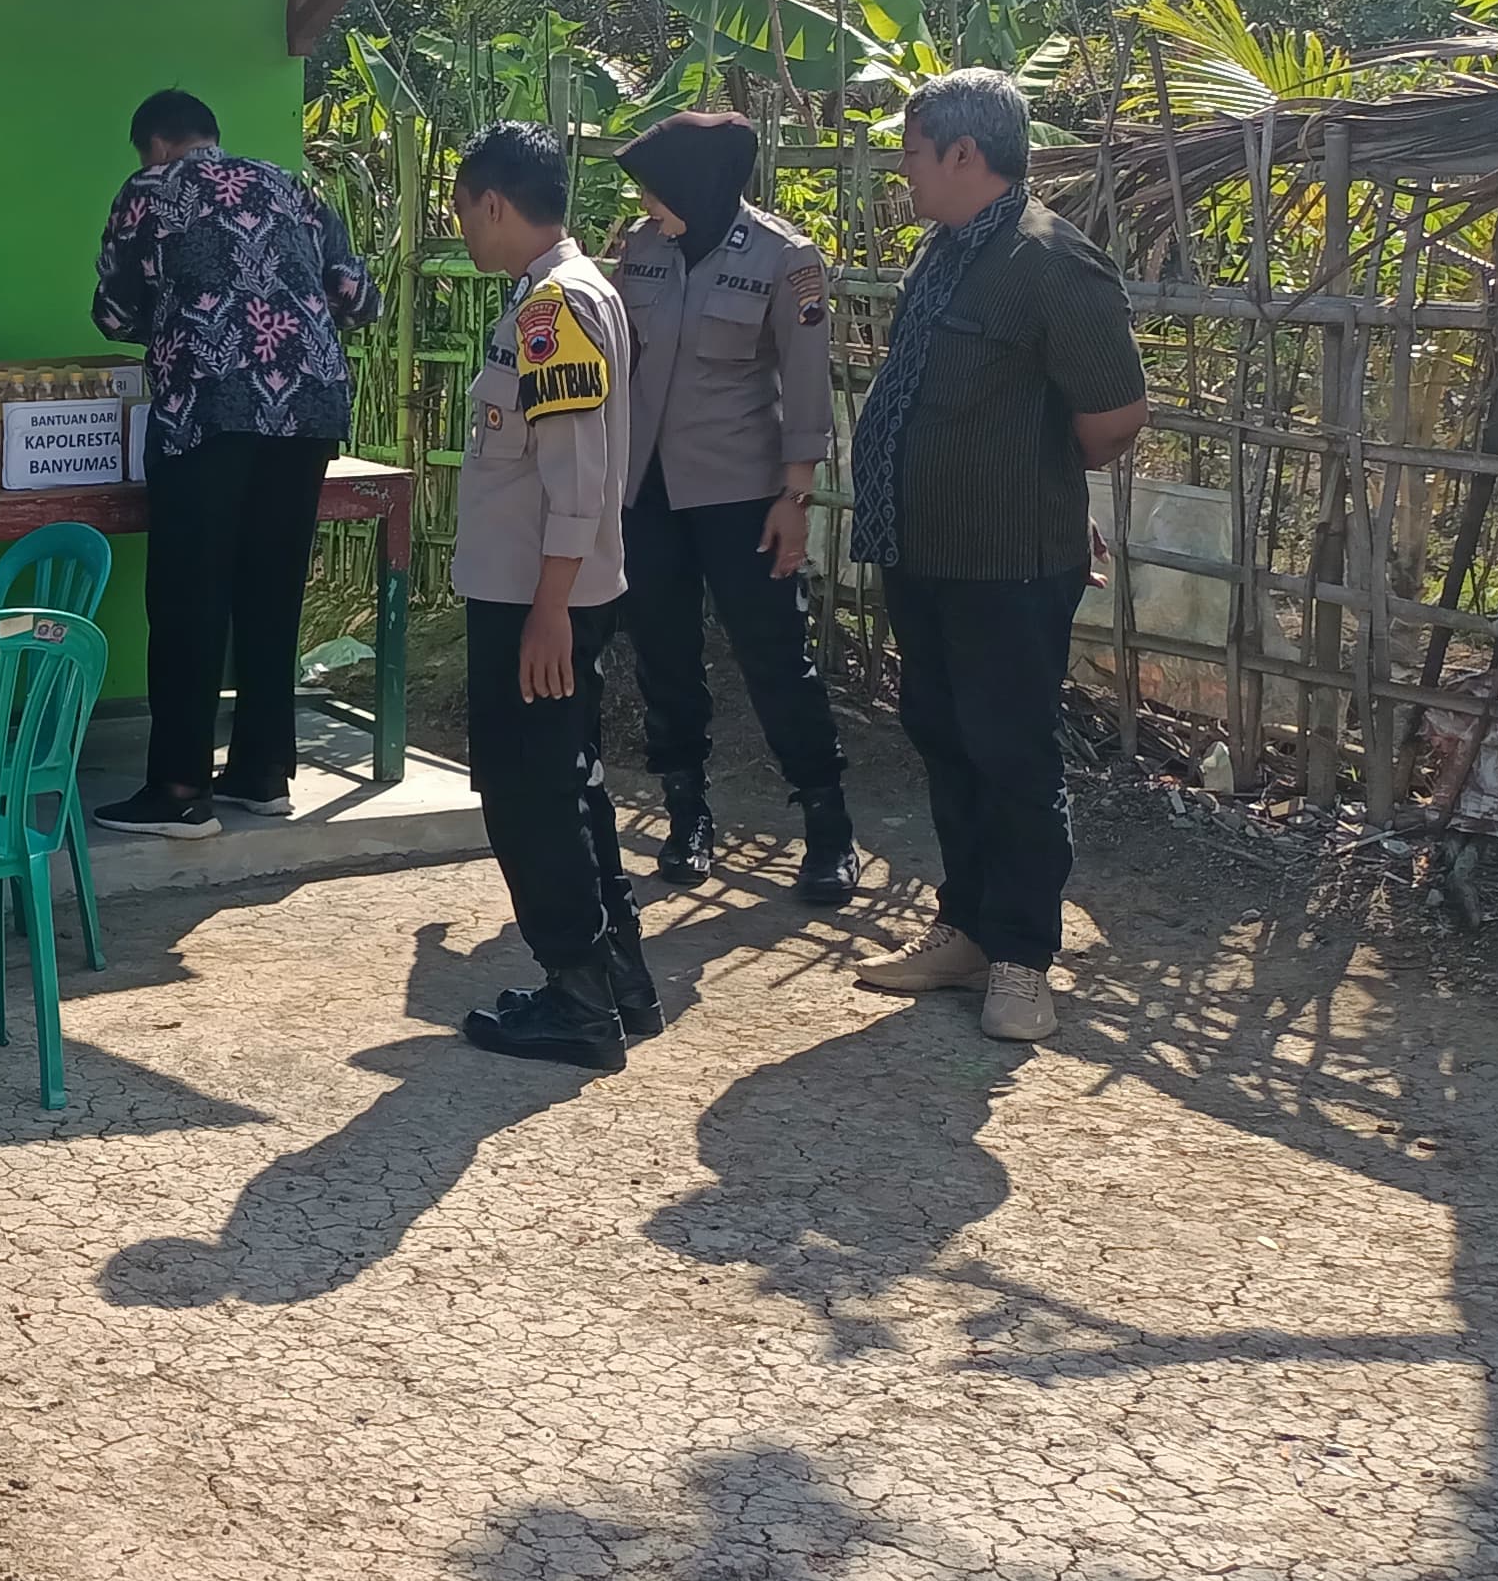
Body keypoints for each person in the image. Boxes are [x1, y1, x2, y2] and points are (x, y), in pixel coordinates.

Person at [846, 69, 1150, 1045]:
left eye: (912, 154)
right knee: (945, 737)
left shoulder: (1051, 261)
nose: (904, 172)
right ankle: (968, 929)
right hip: (922, 550)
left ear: (964, 153)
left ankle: (1022, 957)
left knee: (1011, 752)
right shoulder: (943, 254)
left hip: (1008, 561)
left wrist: (1039, 481)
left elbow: (1114, 417)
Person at [87, 87, 378, 840]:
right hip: (309, 407)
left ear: (154, 145)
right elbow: (356, 298)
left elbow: (114, 312)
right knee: (271, 587)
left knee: (190, 593)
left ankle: (180, 789)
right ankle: (260, 770)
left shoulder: (149, 189)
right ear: (212, 135)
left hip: (207, 407)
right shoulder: (291, 185)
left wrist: (181, 318)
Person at [444, 123, 655, 1072]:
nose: (464, 229)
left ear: (494, 203)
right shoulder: (577, 291)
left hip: (535, 597)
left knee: (528, 796)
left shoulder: (553, 308)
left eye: (464, 211)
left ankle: (577, 996)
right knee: (569, 781)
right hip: (549, 590)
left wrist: (548, 611)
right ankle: (619, 979)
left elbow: (574, 472)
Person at [608, 110, 858, 905]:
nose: (645, 202)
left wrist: (796, 495)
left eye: (656, 188)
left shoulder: (786, 260)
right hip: (648, 492)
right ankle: (688, 815)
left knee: (775, 657)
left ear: (697, 184)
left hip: (743, 494)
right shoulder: (640, 249)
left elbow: (807, 385)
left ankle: (827, 825)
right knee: (663, 655)